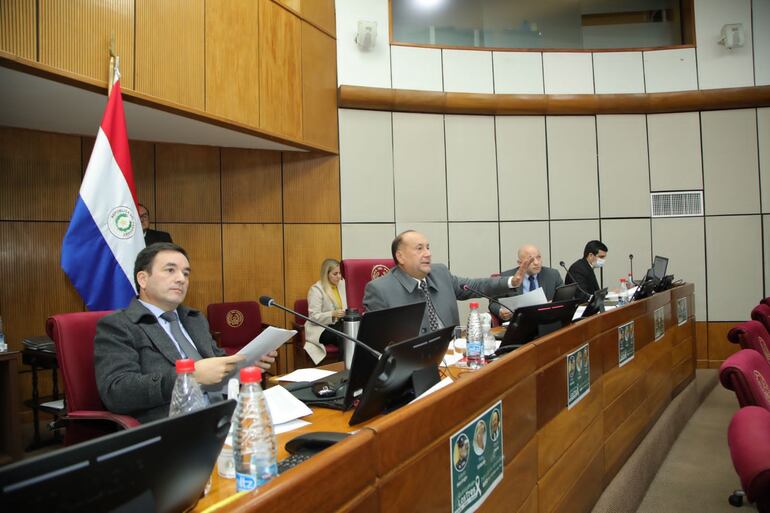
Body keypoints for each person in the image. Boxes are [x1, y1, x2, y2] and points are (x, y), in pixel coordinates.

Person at [94, 242, 275, 423]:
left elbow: (217, 361)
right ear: (143, 279)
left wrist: (245, 364)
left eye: (186, 273)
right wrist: (190, 376)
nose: (181, 279)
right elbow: (116, 392)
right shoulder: (119, 325)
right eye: (170, 270)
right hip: (172, 427)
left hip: (225, 416)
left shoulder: (194, 319)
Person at [363, 230, 531, 335]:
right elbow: (379, 342)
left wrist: (511, 281)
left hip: (454, 354)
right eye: (419, 248)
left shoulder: (440, 273)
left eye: (428, 247)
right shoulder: (379, 290)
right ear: (400, 257)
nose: (428, 253)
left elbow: (475, 286)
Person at [490, 244, 564, 321]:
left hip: (547, 321)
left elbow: (564, 296)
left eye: (538, 258)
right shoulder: (507, 277)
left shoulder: (552, 275)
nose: (536, 262)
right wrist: (500, 311)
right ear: (520, 263)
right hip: (520, 323)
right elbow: (493, 303)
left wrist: (555, 303)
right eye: (531, 260)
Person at [304, 258, 348, 365]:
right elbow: (313, 317)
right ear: (326, 274)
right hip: (321, 328)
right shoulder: (316, 290)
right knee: (344, 334)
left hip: (339, 324)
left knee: (352, 331)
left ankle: (351, 365)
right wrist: (332, 314)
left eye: (340, 273)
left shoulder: (342, 285)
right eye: (335, 274)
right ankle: (342, 367)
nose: (339, 276)